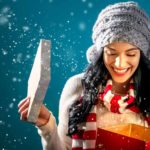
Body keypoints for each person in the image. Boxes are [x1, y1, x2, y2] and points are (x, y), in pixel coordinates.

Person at [18, 1, 150, 150]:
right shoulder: (78, 87)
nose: (120, 63)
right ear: (100, 53)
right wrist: (46, 125)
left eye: (131, 54)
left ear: (142, 55)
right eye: (111, 53)